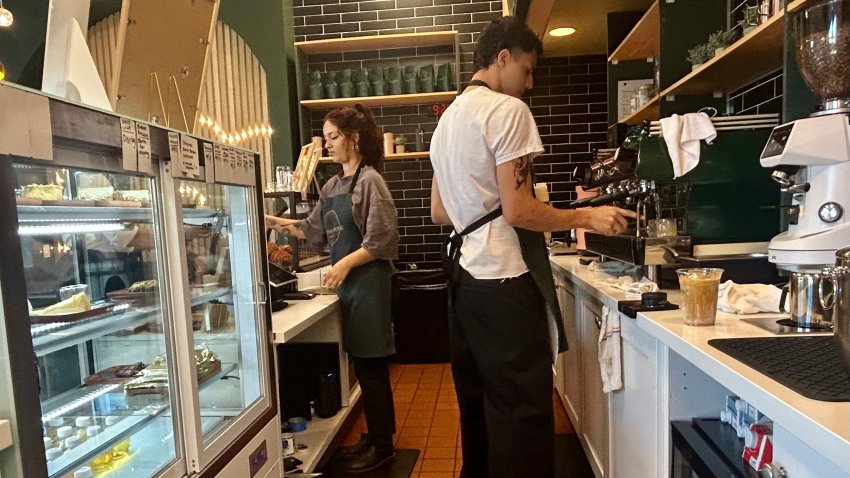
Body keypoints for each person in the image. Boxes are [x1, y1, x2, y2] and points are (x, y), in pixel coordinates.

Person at [429, 17, 637, 478]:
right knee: (521, 410)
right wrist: (586, 215)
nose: (530, 81)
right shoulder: (506, 111)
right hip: (504, 279)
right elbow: (519, 211)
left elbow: (440, 213)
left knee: (479, 403)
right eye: (526, 69)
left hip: (464, 281)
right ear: (503, 58)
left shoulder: (447, 122)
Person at [265, 104, 399, 474]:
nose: (327, 145)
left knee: (372, 370)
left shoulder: (371, 181)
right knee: (362, 362)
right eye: (325, 139)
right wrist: (269, 218)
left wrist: (341, 264)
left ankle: (384, 445)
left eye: (333, 137)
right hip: (350, 287)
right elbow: (311, 229)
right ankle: (374, 437)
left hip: (370, 285)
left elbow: (381, 241)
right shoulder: (332, 185)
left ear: (353, 139)